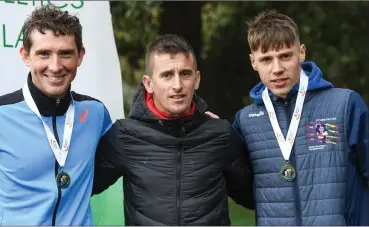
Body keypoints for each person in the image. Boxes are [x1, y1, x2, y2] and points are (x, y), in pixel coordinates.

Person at [0, 5, 112, 225]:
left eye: (65, 53)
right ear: (26, 55)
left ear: (80, 56)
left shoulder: (95, 114)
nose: (55, 66)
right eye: (44, 54)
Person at [92, 34, 254, 225]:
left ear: (197, 79)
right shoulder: (124, 136)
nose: (177, 85)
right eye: (167, 75)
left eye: (185, 74)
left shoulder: (221, 134)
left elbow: (254, 197)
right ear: (148, 83)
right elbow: (74, 188)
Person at [231, 9, 369, 226]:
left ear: (301, 52)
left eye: (285, 56)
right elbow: (245, 192)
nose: (277, 69)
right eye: (266, 59)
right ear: (253, 62)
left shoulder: (345, 104)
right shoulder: (245, 121)